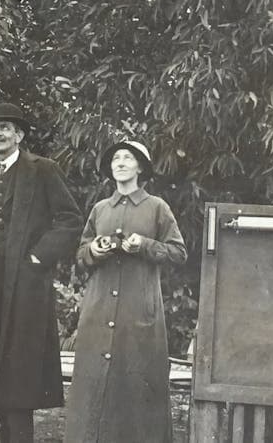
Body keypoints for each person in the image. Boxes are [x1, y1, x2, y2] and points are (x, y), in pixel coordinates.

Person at [0, 102, 82, 443]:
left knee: (18, 373)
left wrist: (38, 257)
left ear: (19, 135)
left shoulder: (42, 170)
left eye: (5, 128)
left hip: (23, 289)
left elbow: (70, 220)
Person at [64, 140, 186, 443]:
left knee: (136, 383)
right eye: (115, 158)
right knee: (94, 385)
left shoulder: (157, 207)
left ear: (140, 167)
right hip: (99, 308)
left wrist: (143, 245)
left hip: (138, 311)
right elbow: (80, 256)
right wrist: (94, 249)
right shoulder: (100, 209)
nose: (119, 163)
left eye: (127, 158)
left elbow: (178, 253)